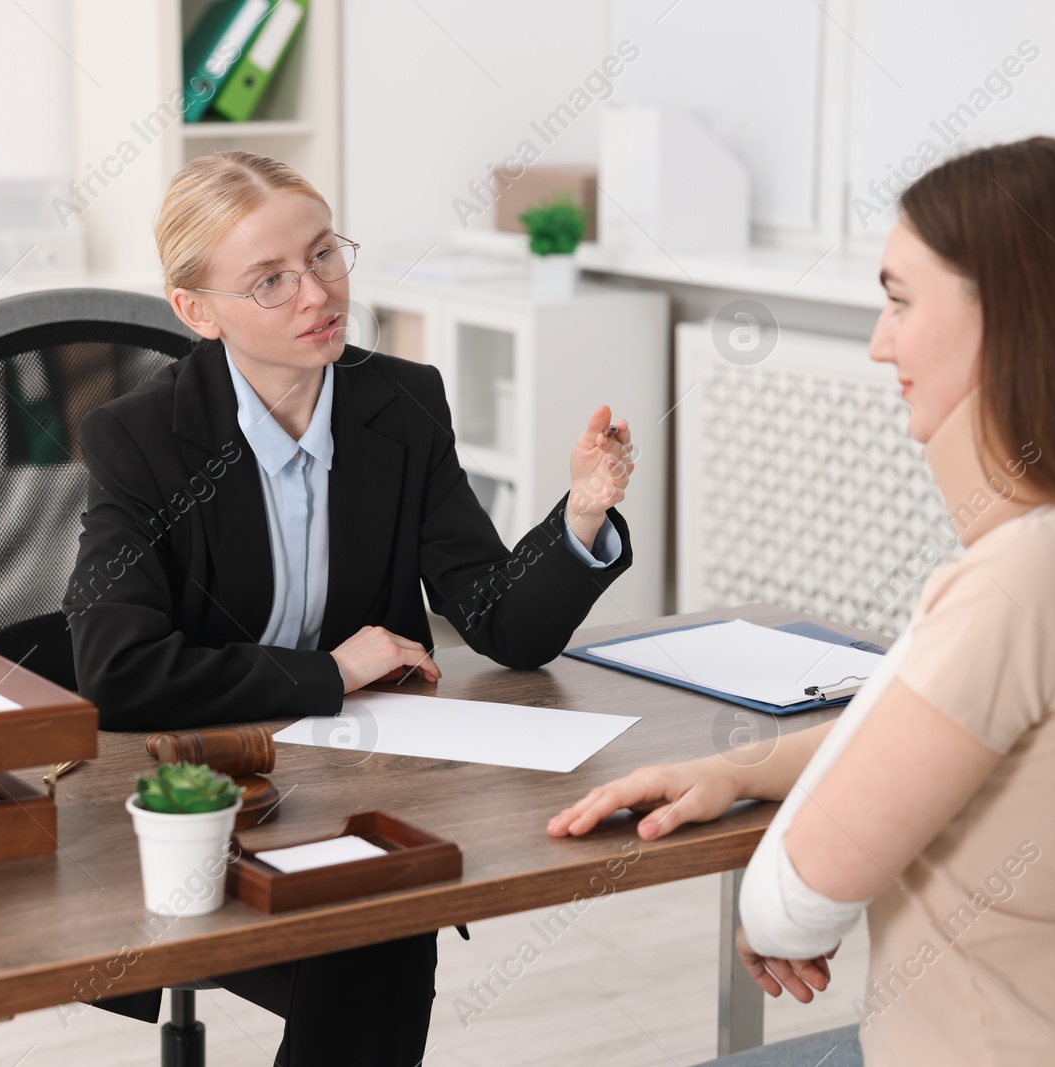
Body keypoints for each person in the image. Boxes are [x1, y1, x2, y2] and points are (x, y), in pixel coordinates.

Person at [548, 136, 1055, 1067]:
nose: (880, 343)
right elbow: (938, 737)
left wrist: (791, 884)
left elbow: (786, 901)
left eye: (900, 300)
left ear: (1011, 318)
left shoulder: (1021, 576)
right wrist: (745, 768)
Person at [63, 150, 637, 1066]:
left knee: (380, 920)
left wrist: (579, 518)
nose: (317, 292)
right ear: (195, 311)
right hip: (205, 794)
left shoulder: (400, 402)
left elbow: (502, 623)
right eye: (270, 279)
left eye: (325, 253)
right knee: (375, 938)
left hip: (349, 788)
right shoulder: (138, 438)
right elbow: (120, 672)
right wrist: (331, 671)